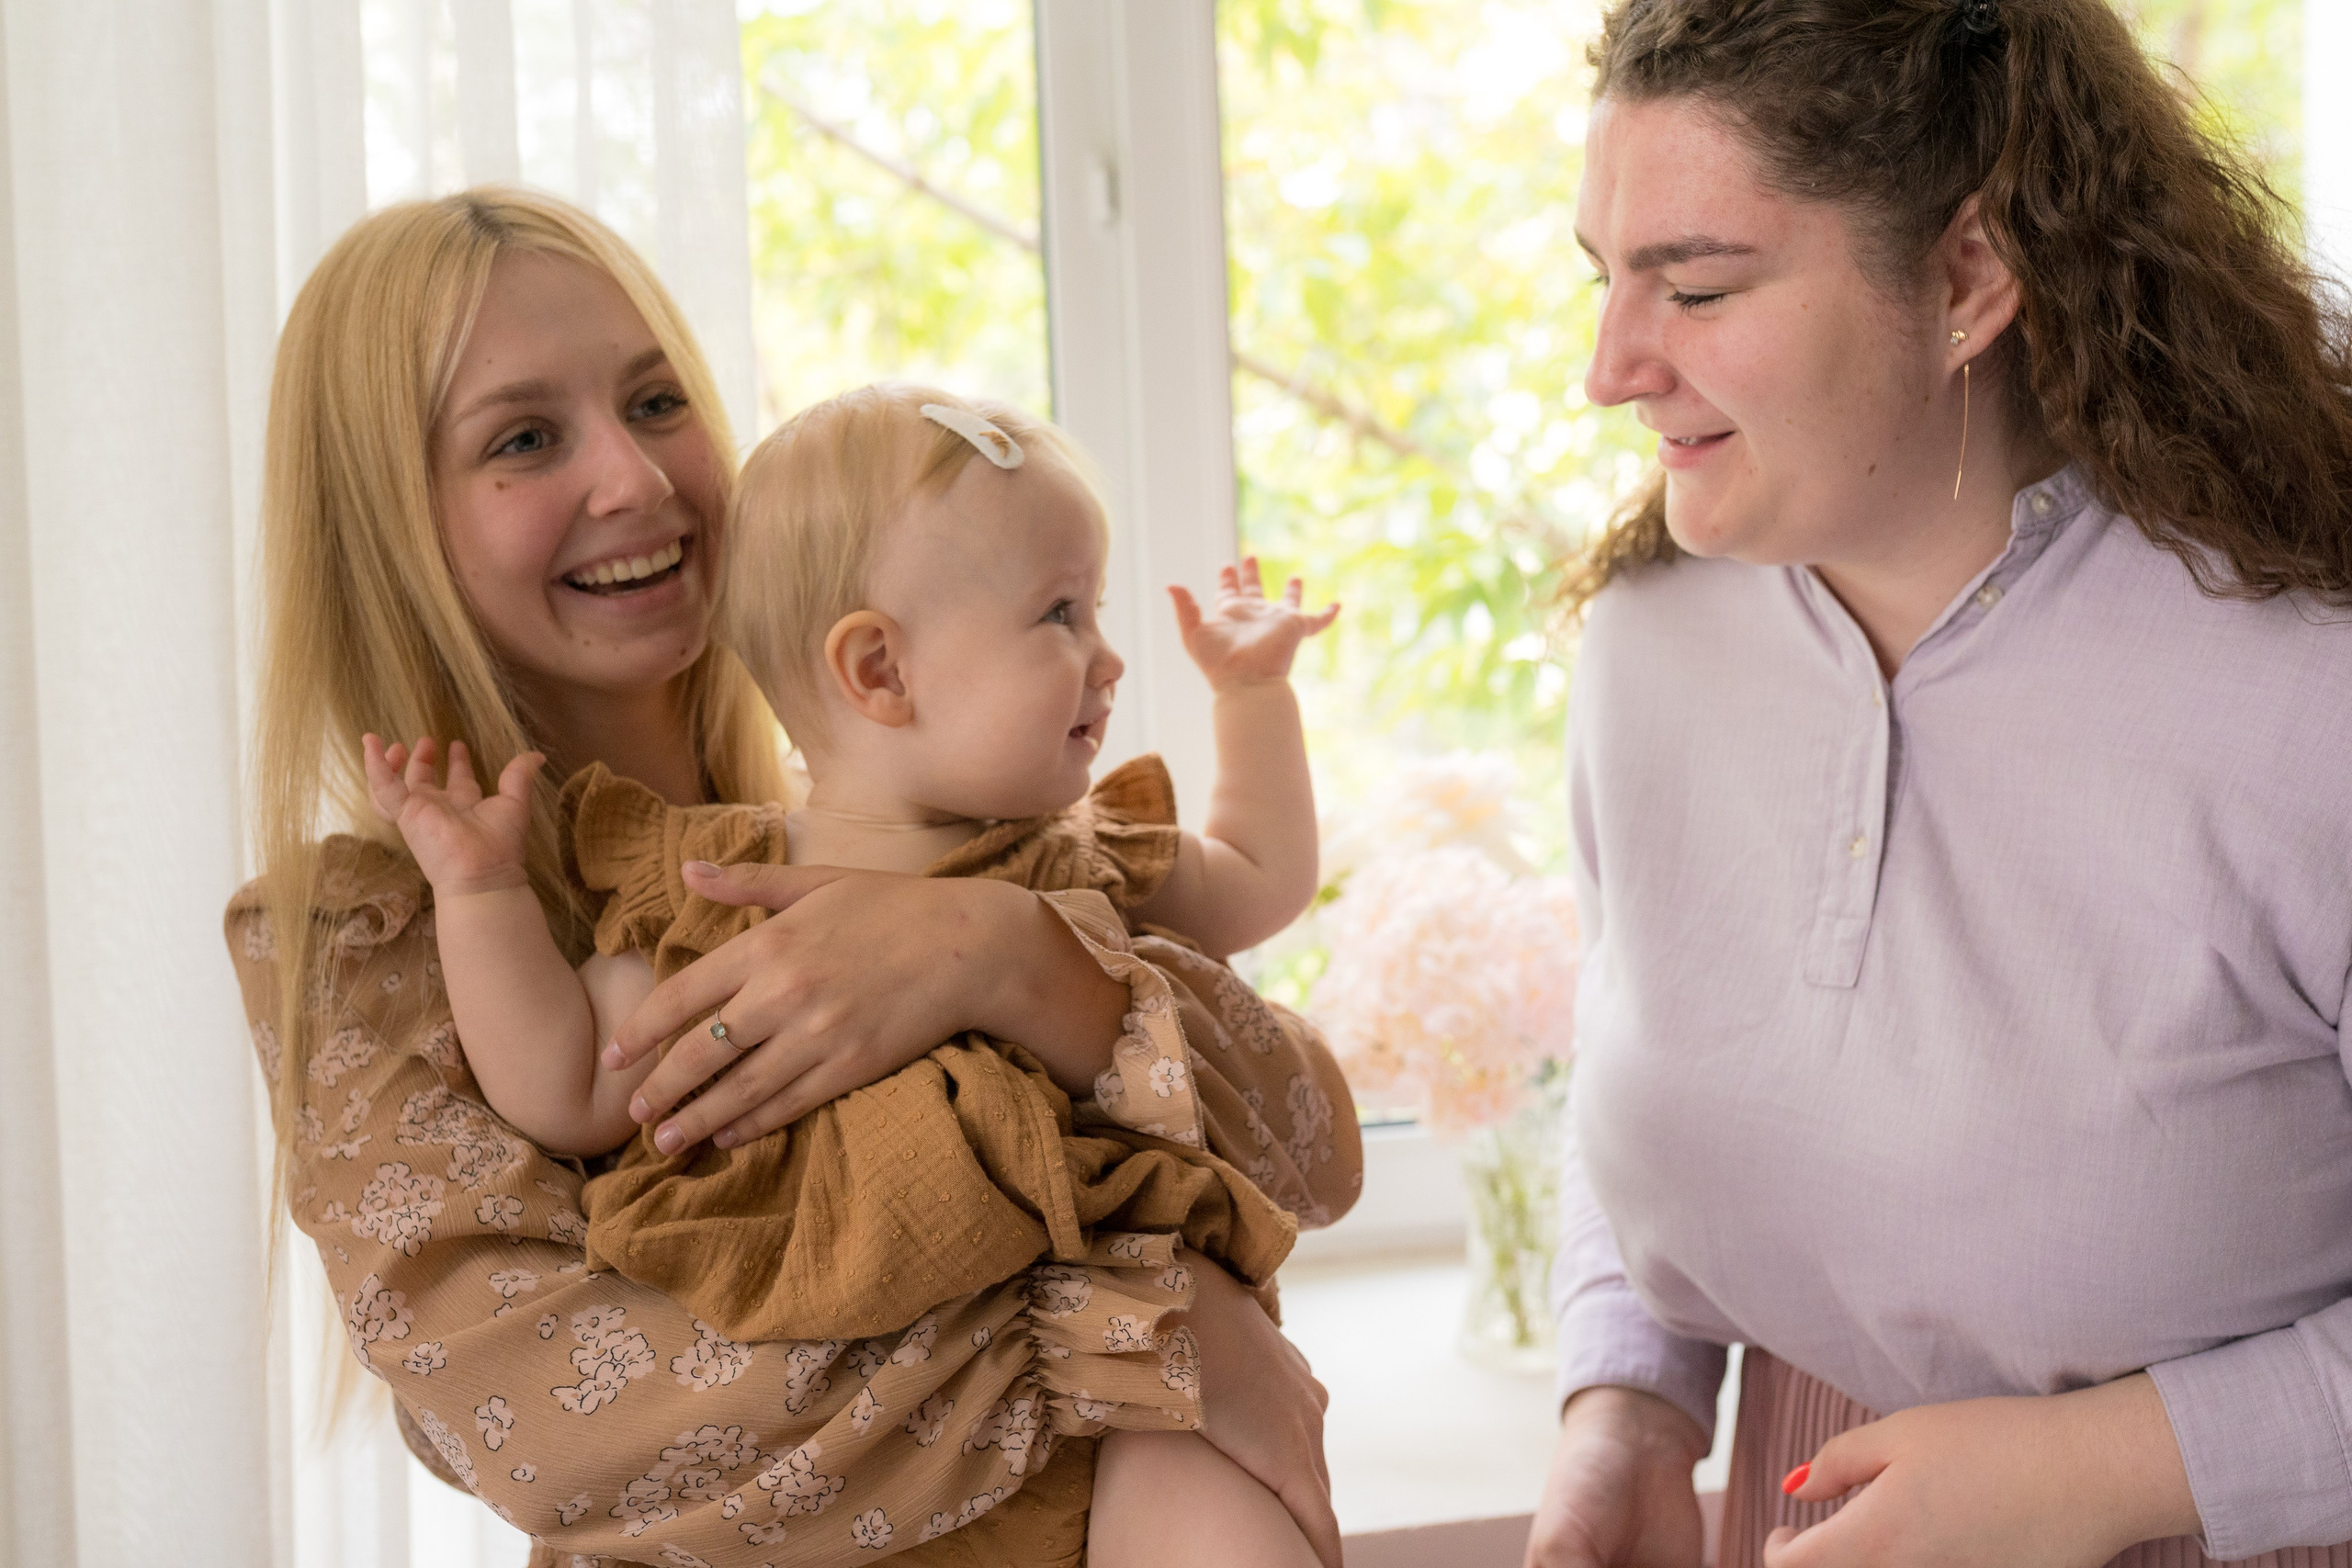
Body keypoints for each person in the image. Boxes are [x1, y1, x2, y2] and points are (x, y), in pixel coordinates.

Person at [223, 186, 1358, 1568]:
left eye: (654, 403)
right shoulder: (381, 932)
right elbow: (562, 1432)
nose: (636, 482)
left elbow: (1306, 1151)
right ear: (392, 526)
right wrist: (1150, 1328)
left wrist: (1007, 957)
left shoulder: (903, 815)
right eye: (524, 438)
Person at [1528, 1, 2352, 1566]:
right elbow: (1649, 1060)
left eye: (1697, 286)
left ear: (1970, 276)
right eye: (1604, 279)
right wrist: (1628, 1407)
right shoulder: (1653, 640)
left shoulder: (2314, 692)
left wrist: (2101, 1474)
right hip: (1817, 1506)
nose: (1608, 370)